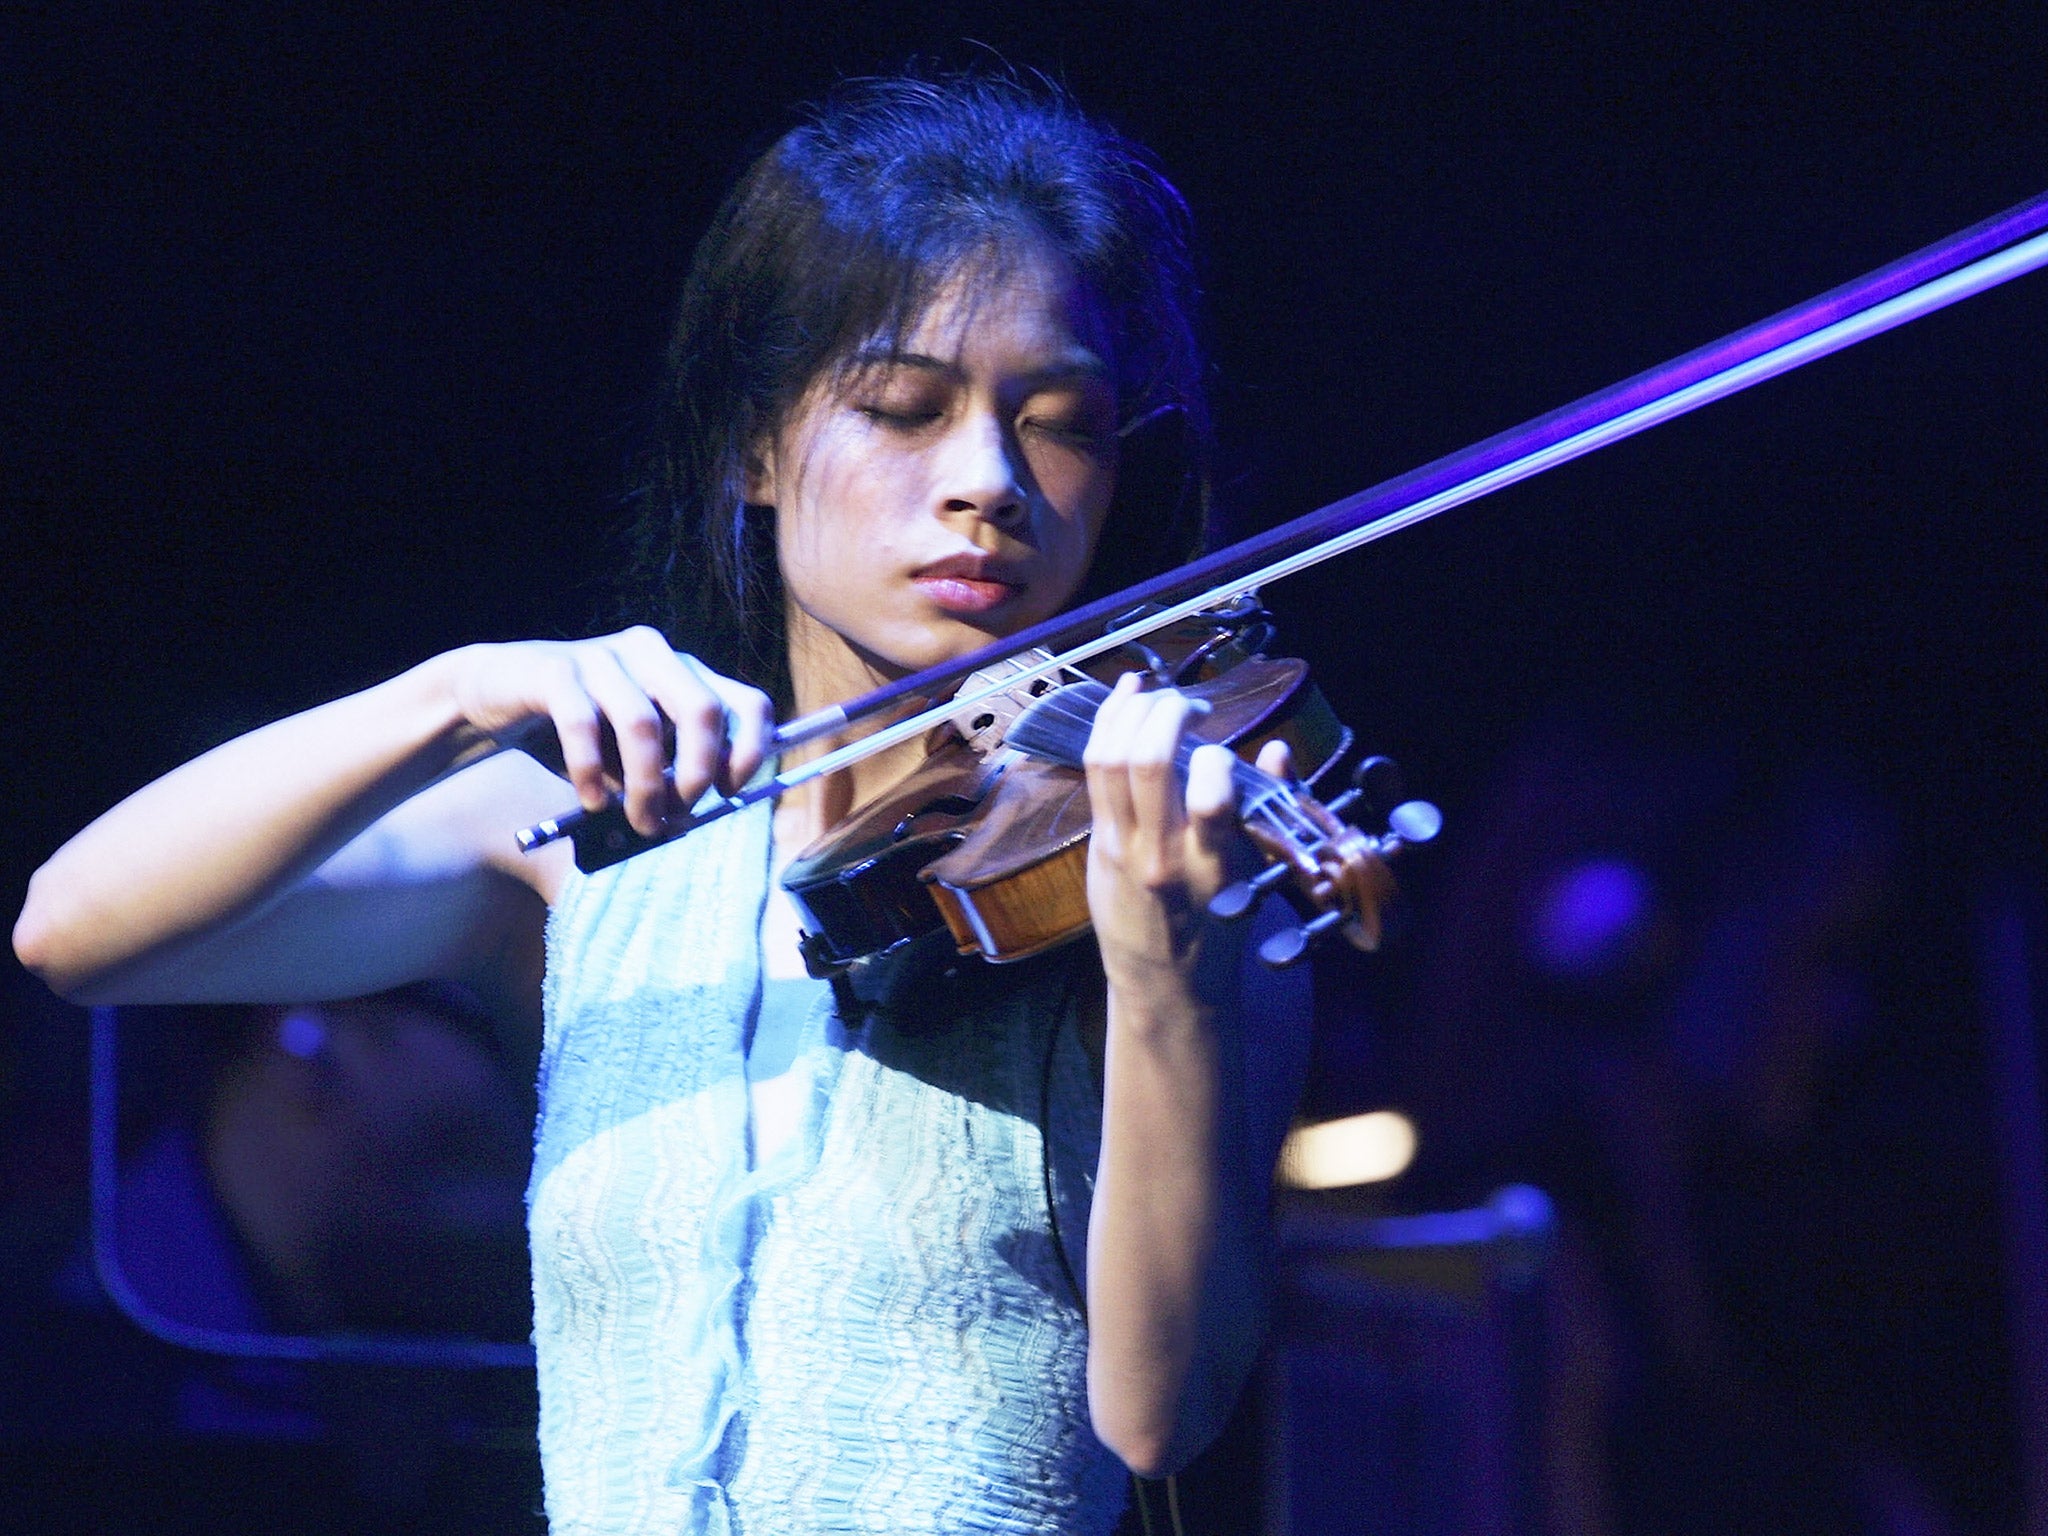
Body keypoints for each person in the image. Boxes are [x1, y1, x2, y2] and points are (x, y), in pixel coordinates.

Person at [14, 74, 1385, 1534]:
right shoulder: (596, 851)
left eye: (1061, 424)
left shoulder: (1177, 875)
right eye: (903, 409)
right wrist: (455, 693)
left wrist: (1168, 978)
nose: (989, 483)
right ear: (751, 445)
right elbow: (78, 931)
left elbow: (1162, 1413)